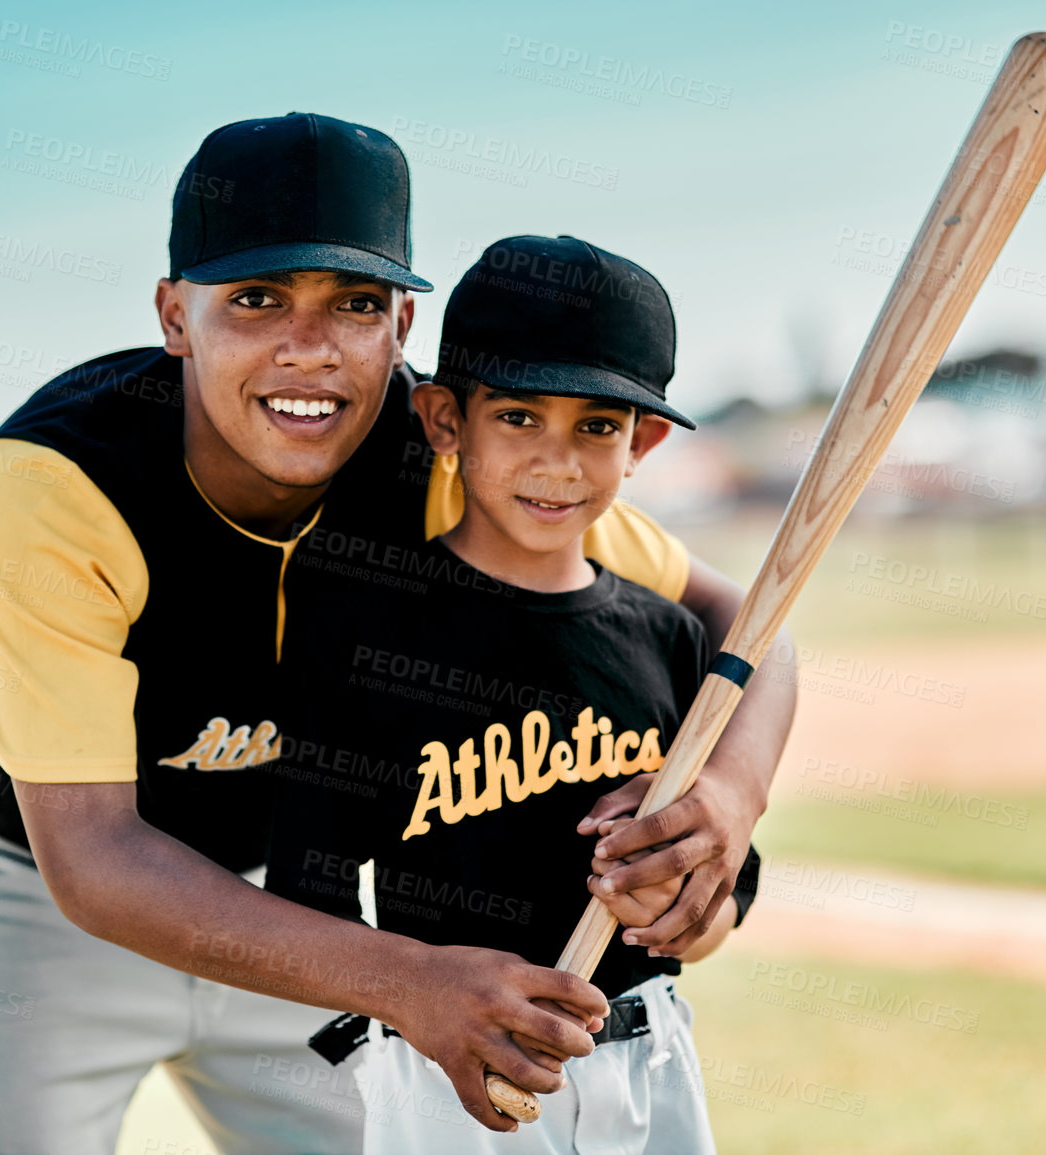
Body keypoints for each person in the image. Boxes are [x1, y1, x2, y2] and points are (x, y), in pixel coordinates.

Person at [0, 113, 794, 1154]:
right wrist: (407, 979)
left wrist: (729, 795)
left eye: (357, 304)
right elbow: (93, 857)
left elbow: (745, 625)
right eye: (255, 299)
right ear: (174, 315)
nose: (310, 348)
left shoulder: (452, 460)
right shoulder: (63, 480)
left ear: (402, 330)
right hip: (33, 902)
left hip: (309, 907)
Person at [265, 235, 760, 1152]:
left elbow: (723, 900)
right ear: (446, 420)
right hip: (452, 1070)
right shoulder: (369, 629)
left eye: (598, 426)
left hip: (647, 1059)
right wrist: (406, 995)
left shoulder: (669, 639)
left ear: (642, 441)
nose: (559, 461)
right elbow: (312, 892)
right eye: (521, 417)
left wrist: (682, 910)